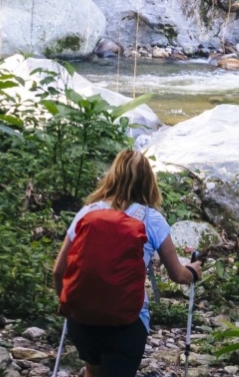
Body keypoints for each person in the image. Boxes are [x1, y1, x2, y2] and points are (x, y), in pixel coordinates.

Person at [51, 149, 201, 377]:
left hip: (82, 321)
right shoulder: (151, 219)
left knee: (93, 370)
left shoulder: (87, 212)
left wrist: (67, 306)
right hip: (127, 322)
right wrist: (193, 271)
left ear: (113, 175)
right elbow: (178, 275)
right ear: (149, 182)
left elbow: (58, 271)